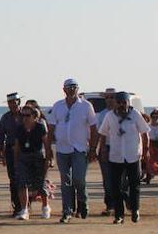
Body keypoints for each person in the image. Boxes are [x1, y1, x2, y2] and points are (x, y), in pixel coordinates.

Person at [47, 78, 98, 223]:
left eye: (74, 87)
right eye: (69, 87)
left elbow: (94, 128)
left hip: (80, 148)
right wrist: (49, 148)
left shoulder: (86, 106)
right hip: (62, 149)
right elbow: (51, 128)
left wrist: (93, 148)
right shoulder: (58, 106)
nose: (71, 90)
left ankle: (83, 202)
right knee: (65, 181)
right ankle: (67, 210)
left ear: (77, 89)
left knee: (79, 179)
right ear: (64, 89)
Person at [97, 92, 150, 224]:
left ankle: (135, 210)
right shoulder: (110, 116)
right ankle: (119, 215)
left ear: (128, 103)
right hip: (116, 155)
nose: (121, 105)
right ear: (115, 103)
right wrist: (102, 149)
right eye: (119, 102)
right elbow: (103, 133)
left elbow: (145, 133)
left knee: (134, 184)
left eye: (124, 102)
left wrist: (146, 151)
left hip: (133, 155)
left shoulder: (135, 115)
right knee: (116, 186)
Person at [10, 106, 53, 220]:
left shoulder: (40, 127)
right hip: (24, 156)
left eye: (27, 115)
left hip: (38, 156)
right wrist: (16, 161)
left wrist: (49, 159)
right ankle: (24, 210)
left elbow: (46, 144)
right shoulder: (19, 128)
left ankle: (45, 207)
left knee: (40, 183)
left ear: (35, 117)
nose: (24, 118)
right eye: (22, 115)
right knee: (21, 182)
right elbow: (17, 146)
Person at [0, 93, 25, 216]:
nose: (12, 104)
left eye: (14, 101)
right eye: (10, 102)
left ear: (18, 102)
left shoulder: (25, 115)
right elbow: (0, 135)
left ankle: (25, 206)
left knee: (25, 179)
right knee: (13, 180)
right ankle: (17, 207)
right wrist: (0, 152)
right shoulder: (6, 118)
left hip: (25, 150)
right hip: (11, 150)